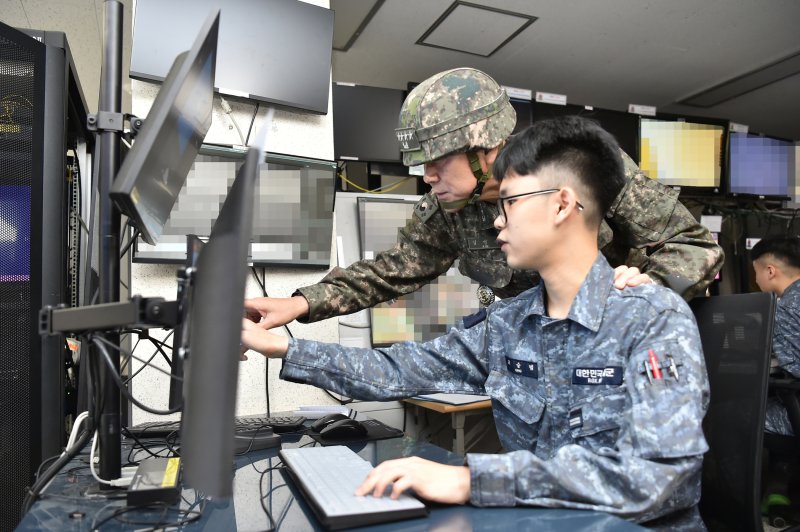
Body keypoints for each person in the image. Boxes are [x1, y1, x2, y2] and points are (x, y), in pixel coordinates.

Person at [241, 117, 710, 529]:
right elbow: (401, 367)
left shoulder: (653, 318)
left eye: (509, 204)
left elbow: (656, 478)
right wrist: (283, 347)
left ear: (563, 205)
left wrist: (473, 479)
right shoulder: (509, 323)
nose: (497, 224)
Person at [244, 67, 723, 330]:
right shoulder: (448, 209)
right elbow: (389, 271)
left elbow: (695, 246)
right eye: (421, 162)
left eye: (438, 159)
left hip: (620, 344)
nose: (427, 176)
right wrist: (301, 303)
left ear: (486, 146)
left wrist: (640, 295)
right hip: (536, 351)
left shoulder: (580, 167)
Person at [752, 236, 800, 435]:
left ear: (770, 271)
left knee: (732, 412)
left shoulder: (784, 309)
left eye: (756, 272)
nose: (755, 280)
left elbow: (796, 369)